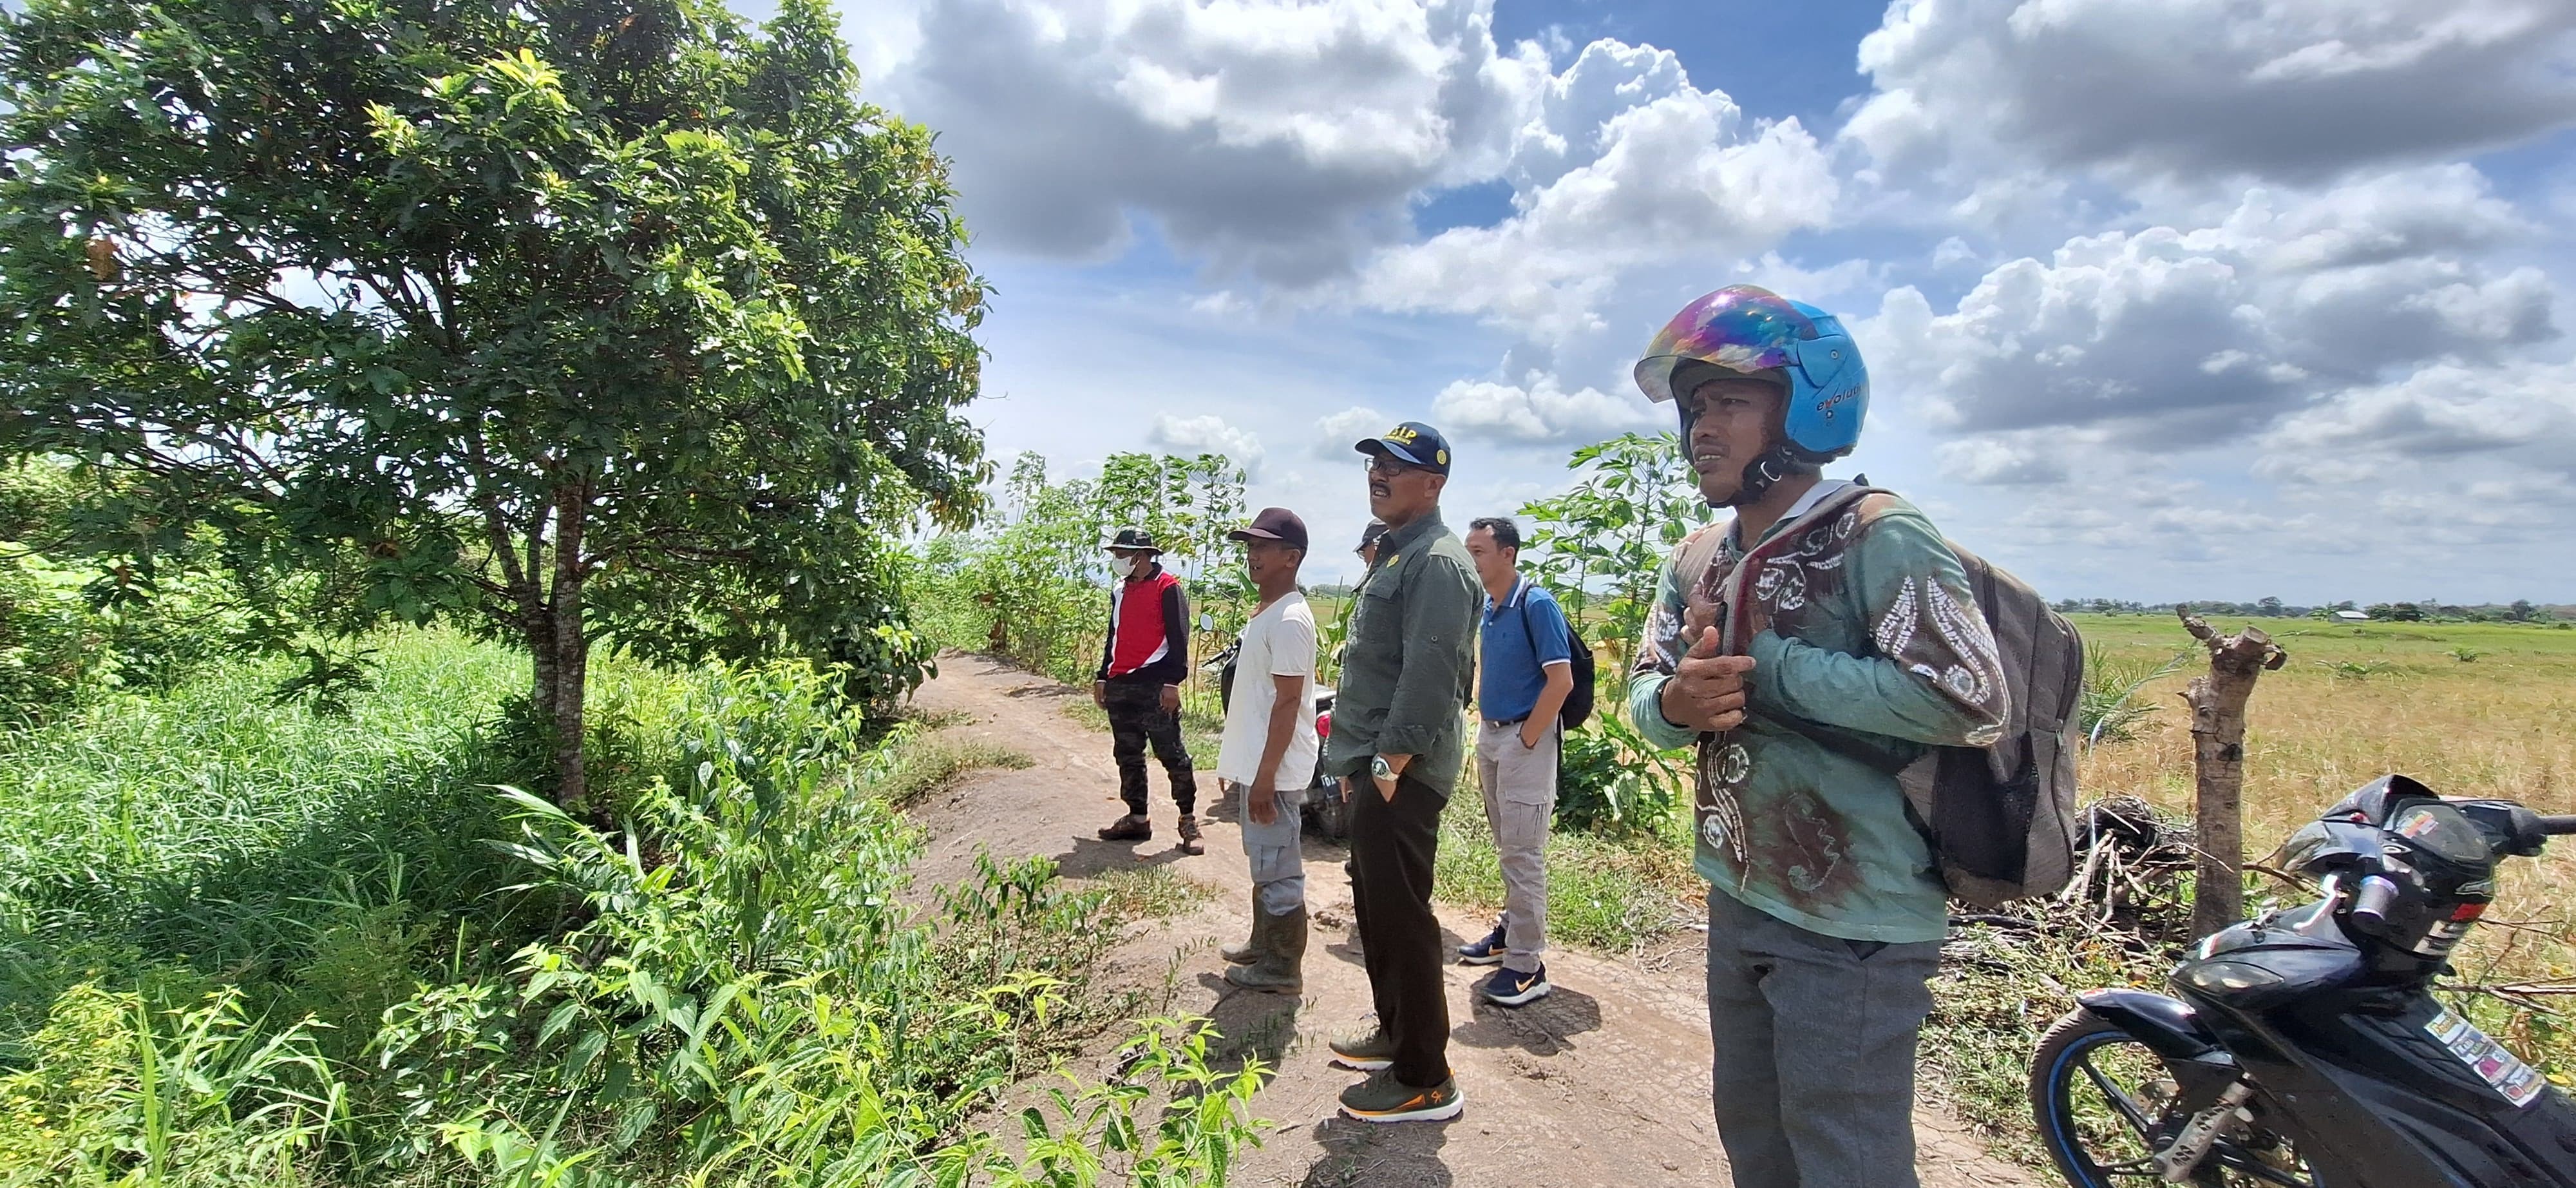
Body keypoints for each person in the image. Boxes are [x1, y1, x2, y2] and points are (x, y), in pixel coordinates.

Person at [1625, 285, 2009, 1188]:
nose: (1701, 430)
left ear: (1802, 408)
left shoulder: (1878, 535)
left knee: (1848, 1161)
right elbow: (1645, 693)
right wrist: (1677, 707)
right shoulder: (1697, 558)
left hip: (1857, 921)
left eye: (1730, 402)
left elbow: (1969, 698)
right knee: (1755, 1140)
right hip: (1737, 892)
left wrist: (1778, 669)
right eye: (1694, 407)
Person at [1321, 420, 1480, 1124]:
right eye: (1374, 464)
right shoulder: (1396, 553)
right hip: (1375, 766)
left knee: (1403, 916)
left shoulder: (1437, 561)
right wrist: (1358, 763)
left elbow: (1429, 674)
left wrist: (1388, 763)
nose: (1378, 474)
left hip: (1403, 772)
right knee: (1376, 910)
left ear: (1434, 483)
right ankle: (1394, 1035)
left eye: (1396, 465)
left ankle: (1424, 1075)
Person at [1457, 516, 1573, 1007]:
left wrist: (1527, 737)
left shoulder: (1536, 603)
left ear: (1508, 554)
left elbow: (1561, 681)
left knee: (1524, 855)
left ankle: (1527, 965)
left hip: (1525, 739)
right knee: (1509, 846)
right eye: (1469, 549)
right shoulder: (1489, 606)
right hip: (1493, 734)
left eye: (1479, 551)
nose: (1472, 558)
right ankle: (1508, 933)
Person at [1215, 508, 1320, 994]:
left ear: (1291, 558)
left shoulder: (1292, 619)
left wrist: (1263, 776)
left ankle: (1283, 967)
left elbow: (1289, 700)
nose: (1253, 556)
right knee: (1263, 860)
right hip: (1258, 764)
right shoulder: (1267, 612)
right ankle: (1263, 943)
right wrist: (1238, 764)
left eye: (1263, 547)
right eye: (1250, 547)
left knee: (1279, 869)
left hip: (1272, 771)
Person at [1093, 528, 1203, 855]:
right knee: (1127, 753)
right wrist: (1103, 676)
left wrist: (1173, 683)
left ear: (1140, 556)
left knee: (1172, 754)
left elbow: (1180, 638)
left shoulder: (1168, 589)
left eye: (1121, 555)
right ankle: (1137, 816)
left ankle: (1188, 820)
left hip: (1156, 685)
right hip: (1120, 684)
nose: (1117, 561)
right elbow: (1114, 635)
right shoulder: (1120, 590)